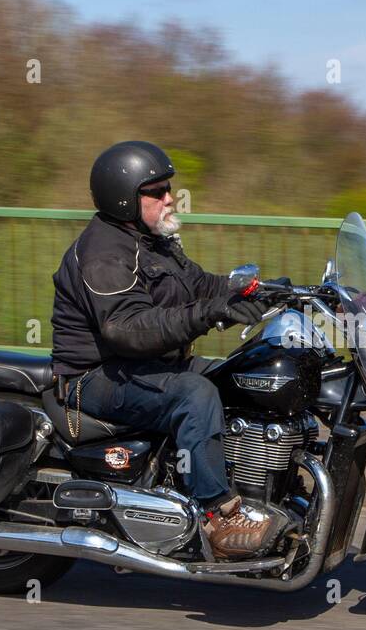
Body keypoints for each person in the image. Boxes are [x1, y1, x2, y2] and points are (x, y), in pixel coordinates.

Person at [50, 141, 274, 558]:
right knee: (195, 393)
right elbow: (129, 330)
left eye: (168, 188)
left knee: (247, 374)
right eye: (156, 191)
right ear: (125, 198)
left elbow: (203, 285)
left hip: (145, 366)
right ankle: (217, 516)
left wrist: (273, 289)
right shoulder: (103, 253)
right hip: (97, 376)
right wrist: (210, 313)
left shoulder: (153, 242)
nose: (169, 198)